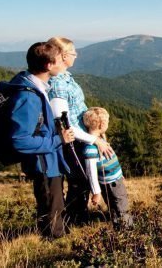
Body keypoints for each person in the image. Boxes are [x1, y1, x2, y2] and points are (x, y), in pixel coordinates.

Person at [4, 42, 75, 239]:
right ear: (49, 65)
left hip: (49, 162)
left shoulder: (36, 87)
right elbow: (20, 140)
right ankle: (52, 251)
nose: (64, 62)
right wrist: (57, 140)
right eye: (60, 59)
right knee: (52, 216)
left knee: (55, 209)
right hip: (44, 164)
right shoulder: (28, 96)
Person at [47, 37, 114, 225]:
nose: (76, 56)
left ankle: (76, 220)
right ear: (62, 55)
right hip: (75, 142)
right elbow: (64, 124)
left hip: (83, 137)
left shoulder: (65, 77)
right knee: (79, 182)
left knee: (82, 182)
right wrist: (95, 140)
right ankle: (74, 221)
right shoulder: (58, 84)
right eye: (73, 53)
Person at [82, 107, 133, 229]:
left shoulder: (99, 139)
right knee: (121, 205)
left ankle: (119, 227)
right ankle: (127, 230)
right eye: (107, 122)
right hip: (111, 183)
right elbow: (91, 172)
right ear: (101, 124)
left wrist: (119, 174)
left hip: (114, 179)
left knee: (116, 205)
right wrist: (96, 192)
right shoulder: (91, 148)